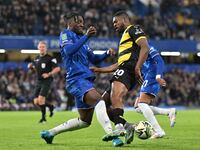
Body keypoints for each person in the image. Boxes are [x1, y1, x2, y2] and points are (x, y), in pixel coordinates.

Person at [40, 12, 123, 146]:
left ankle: (50, 133)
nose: (82, 24)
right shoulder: (65, 34)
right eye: (78, 22)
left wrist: (106, 53)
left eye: (82, 22)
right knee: (100, 101)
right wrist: (86, 37)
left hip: (84, 80)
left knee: (84, 121)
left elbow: (94, 59)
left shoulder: (82, 42)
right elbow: (69, 51)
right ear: (70, 22)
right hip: (76, 80)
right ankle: (113, 136)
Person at [91, 10, 149, 144]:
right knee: (102, 104)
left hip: (129, 69)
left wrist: (138, 67)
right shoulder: (124, 37)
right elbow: (118, 64)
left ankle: (118, 127)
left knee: (115, 95)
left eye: (115, 21)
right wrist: (99, 70)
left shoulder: (134, 29)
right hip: (125, 68)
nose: (114, 25)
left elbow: (145, 47)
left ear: (124, 19)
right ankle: (128, 126)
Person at [134, 45, 176, 139]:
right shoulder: (135, 50)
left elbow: (160, 61)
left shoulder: (147, 47)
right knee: (138, 107)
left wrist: (158, 76)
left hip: (152, 75)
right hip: (147, 77)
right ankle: (169, 112)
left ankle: (159, 131)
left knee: (142, 104)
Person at [28, 41, 61, 123]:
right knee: (36, 102)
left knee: (41, 100)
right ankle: (50, 106)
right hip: (39, 81)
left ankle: (43, 118)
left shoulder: (51, 58)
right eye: (40, 47)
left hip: (47, 81)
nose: (42, 48)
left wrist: (49, 74)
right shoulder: (36, 58)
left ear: (46, 48)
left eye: (43, 47)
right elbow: (36, 69)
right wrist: (31, 67)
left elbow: (57, 68)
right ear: (38, 48)